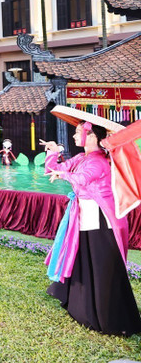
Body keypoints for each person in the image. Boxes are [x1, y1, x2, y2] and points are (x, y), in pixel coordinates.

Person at [41, 106, 141, 336]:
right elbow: (55, 169)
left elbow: (82, 179)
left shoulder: (99, 161)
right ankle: (81, 307)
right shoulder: (81, 157)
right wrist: (53, 153)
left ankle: (107, 317)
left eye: (78, 132)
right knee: (83, 259)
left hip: (102, 221)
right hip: (85, 217)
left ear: (92, 135)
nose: (74, 136)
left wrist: (65, 175)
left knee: (101, 266)